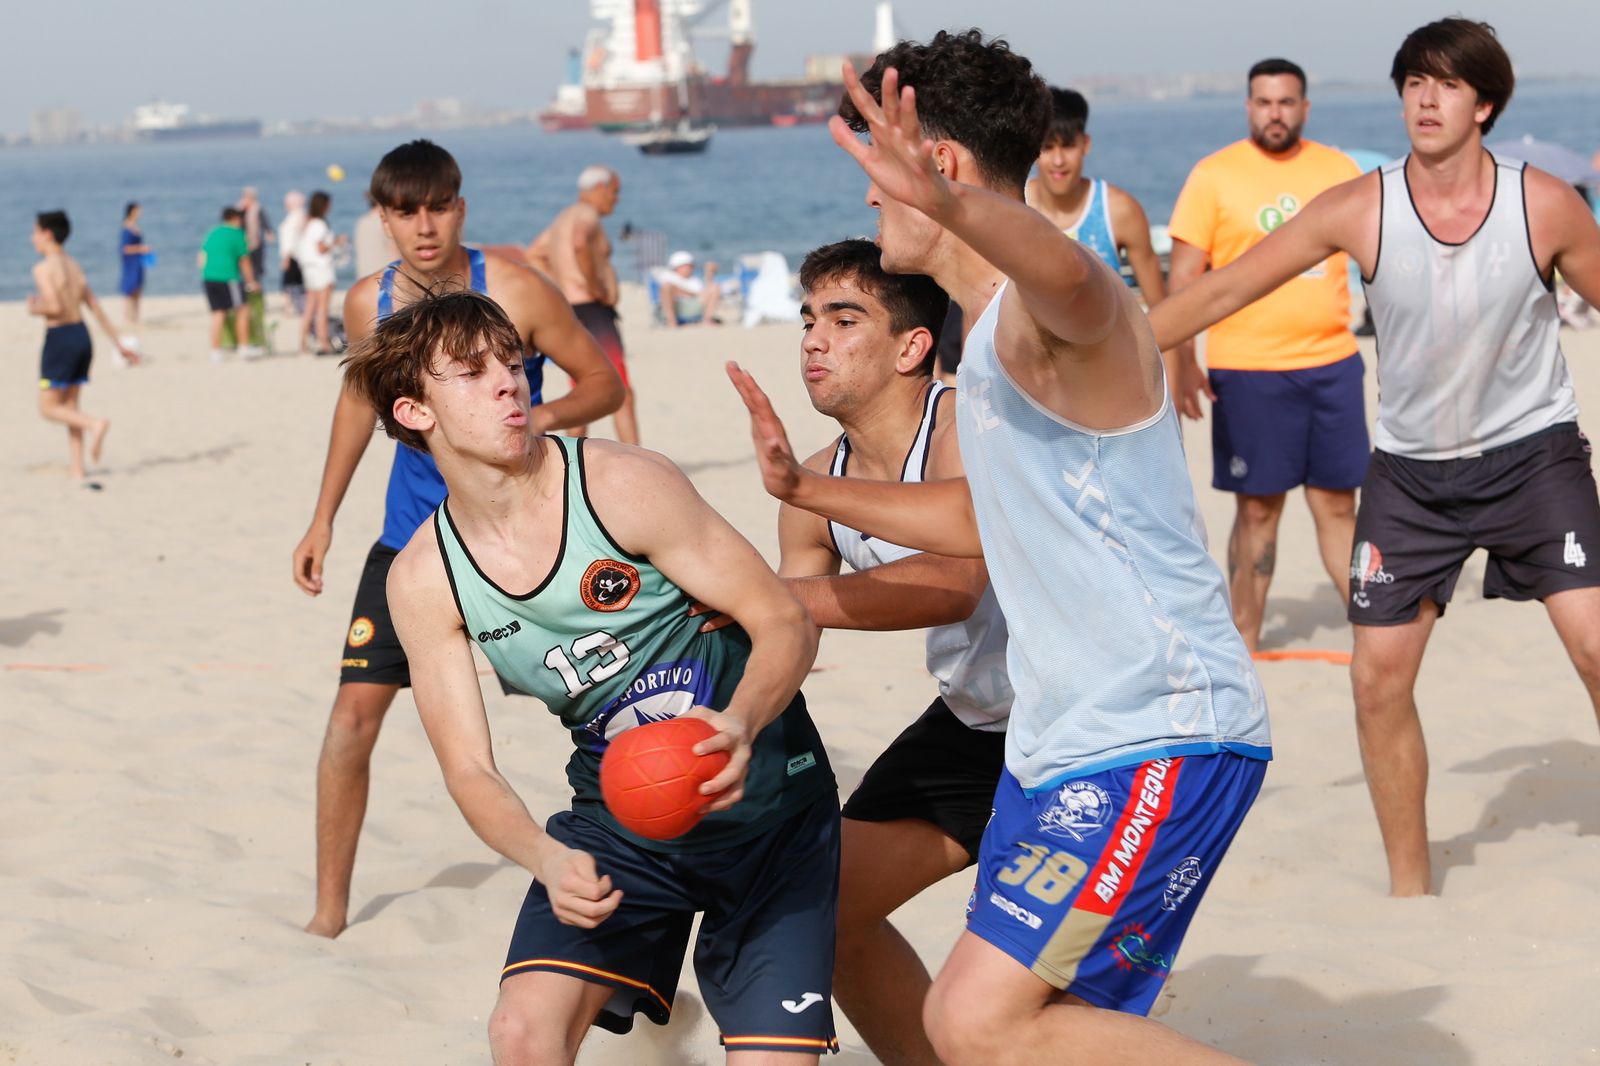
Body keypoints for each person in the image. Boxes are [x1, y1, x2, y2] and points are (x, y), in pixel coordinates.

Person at [730, 30, 1271, 1064]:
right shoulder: (982, 353)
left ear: (938, 168)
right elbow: (983, 522)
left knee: (974, 1021)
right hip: (1050, 741)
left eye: (881, 174)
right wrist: (805, 488)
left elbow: (1071, 276)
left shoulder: (1061, 314)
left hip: (1155, 727)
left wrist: (958, 210)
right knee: (1001, 1028)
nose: (867, 201)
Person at [1150, 18, 1600, 898]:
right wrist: (1106, 347)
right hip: (1411, 477)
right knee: (1375, 681)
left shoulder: (1543, 203)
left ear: (1486, 104)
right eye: (1413, 84)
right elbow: (1224, 288)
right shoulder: (1362, 205)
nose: (1426, 100)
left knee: (1595, 648)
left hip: (1536, 461)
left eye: (1447, 85)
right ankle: (1410, 890)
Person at [341, 288, 840, 1063]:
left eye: (512, 362)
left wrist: (739, 723)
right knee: (519, 1031)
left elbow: (785, 620)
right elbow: (469, 769)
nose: (511, 381)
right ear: (414, 412)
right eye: (472, 373)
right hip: (624, 826)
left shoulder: (623, 484)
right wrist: (544, 857)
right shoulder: (424, 578)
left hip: (770, 815)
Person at [292, 138, 624, 940]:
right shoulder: (364, 304)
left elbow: (606, 381)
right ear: (384, 220)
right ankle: (330, 911)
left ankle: (632, 866)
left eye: (439, 206)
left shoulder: (511, 288)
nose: (425, 226)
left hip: (530, 533)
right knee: (350, 720)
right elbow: (353, 410)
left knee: (613, 705)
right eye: (406, 212)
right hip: (415, 543)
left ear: (460, 208)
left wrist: (527, 421)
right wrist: (323, 516)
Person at [779, 238, 1013, 1066]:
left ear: (914, 346)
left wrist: (775, 600)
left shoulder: (965, 424)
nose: (814, 339)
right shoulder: (812, 481)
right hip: (976, 723)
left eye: (845, 320)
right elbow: (787, 638)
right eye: (808, 318)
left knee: (1027, 1006)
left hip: (1085, 733)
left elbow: (958, 583)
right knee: (822, 910)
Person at [1164, 58, 1367, 652]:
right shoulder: (1213, 175)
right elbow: (1184, 282)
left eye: (1285, 102)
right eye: (1263, 102)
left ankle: (1371, 631)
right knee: (1258, 513)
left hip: (1333, 364)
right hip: (1248, 372)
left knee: (1338, 506)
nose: (1274, 113)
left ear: (1304, 107)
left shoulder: (1340, 169)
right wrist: (1182, 362)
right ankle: (1243, 640)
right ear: (1248, 106)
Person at [525, 165, 638, 445]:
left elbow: (534, 255)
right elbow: (579, 245)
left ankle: (571, 462)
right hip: (592, 309)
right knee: (621, 391)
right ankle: (638, 457)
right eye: (614, 191)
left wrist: (561, 287)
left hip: (574, 312)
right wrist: (595, 287)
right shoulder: (587, 214)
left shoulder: (563, 218)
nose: (616, 199)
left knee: (584, 389)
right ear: (598, 189)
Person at [1026, 88, 1169, 303]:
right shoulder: (1014, 205)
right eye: (1047, 147)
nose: (1058, 160)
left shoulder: (1120, 211)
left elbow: (1160, 306)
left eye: (1068, 146)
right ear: (1034, 149)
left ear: (1086, 144)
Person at [27, 210, 139, 484]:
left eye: (35, 232)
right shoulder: (74, 265)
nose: (32, 239)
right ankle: (77, 470)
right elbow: (95, 307)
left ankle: (95, 424)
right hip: (82, 336)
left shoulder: (43, 268)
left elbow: (54, 306)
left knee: (48, 408)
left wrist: (35, 308)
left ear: (47, 234)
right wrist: (118, 343)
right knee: (72, 407)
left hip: (60, 338)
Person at [198, 206, 263, 362]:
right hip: (228, 277)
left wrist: (207, 273)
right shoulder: (237, 234)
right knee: (242, 310)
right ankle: (244, 347)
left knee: (217, 313)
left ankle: (215, 351)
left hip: (208, 277)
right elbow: (244, 261)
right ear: (235, 218)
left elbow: (201, 258)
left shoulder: (213, 233)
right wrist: (252, 282)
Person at [297, 190, 344, 355]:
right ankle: (323, 342)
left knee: (310, 307)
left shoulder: (308, 223)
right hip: (321, 269)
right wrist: (336, 241)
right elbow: (321, 248)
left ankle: (303, 342)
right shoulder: (320, 224)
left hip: (309, 269)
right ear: (324, 205)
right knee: (323, 307)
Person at [660, 250, 721, 327]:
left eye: (691, 266)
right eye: (687, 266)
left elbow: (706, 293)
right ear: (677, 267)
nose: (690, 268)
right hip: (677, 308)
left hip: (695, 307)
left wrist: (709, 274)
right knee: (667, 287)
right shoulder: (668, 277)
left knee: (715, 287)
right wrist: (691, 293)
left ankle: (707, 319)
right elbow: (668, 290)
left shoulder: (694, 280)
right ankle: (672, 321)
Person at [353, 191, 398, 280]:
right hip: (385, 277)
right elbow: (395, 253)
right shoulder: (386, 222)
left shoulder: (361, 222)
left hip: (364, 276)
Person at [118, 202, 149, 325]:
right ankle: (128, 318)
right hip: (131, 263)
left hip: (138, 261)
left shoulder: (135, 226)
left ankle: (135, 317)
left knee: (138, 289)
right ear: (131, 211)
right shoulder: (126, 228)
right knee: (130, 290)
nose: (140, 213)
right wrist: (141, 248)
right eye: (138, 211)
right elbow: (124, 248)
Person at [280, 190, 308, 316]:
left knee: (289, 283)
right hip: (298, 254)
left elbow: (289, 239)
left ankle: (291, 306)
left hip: (293, 255)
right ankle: (298, 305)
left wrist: (286, 257)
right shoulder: (301, 215)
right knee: (298, 282)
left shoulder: (295, 216)